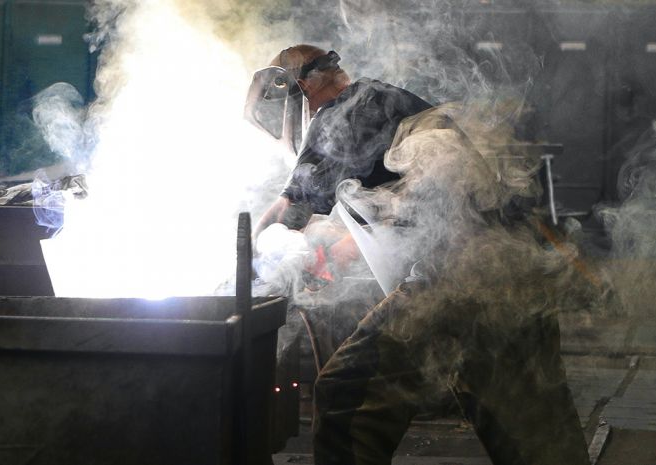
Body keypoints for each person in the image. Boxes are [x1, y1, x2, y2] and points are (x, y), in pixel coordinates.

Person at [245, 44, 591, 465]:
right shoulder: (390, 105)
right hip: (514, 278)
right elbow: (401, 208)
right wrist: (335, 248)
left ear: (303, 87)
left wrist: (245, 252)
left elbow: (288, 211)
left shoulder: (342, 113)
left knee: (345, 394)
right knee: (537, 435)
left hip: (455, 282)